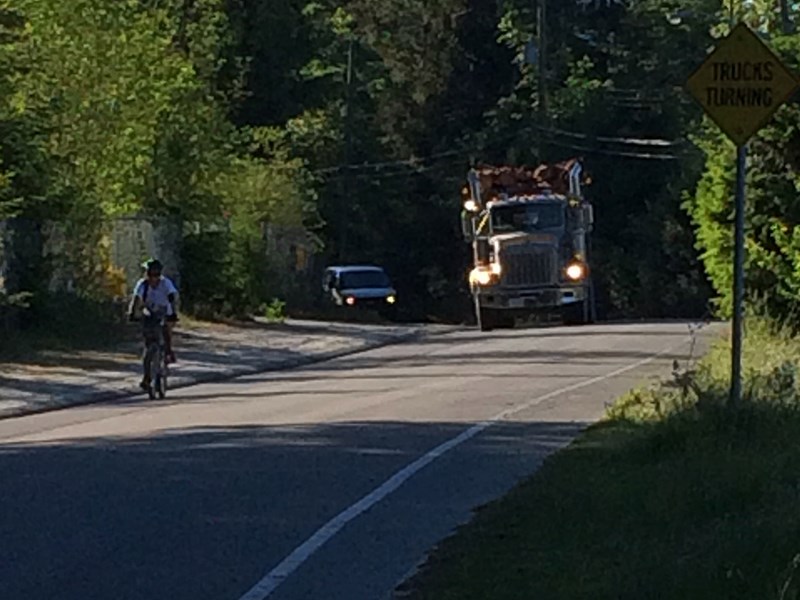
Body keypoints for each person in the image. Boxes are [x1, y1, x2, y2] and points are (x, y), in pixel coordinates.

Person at [128, 259, 179, 389]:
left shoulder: (165, 283)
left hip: (164, 310)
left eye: (155, 274)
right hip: (149, 311)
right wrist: (132, 314)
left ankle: (168, 351)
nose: (153, 277)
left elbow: (172, 296)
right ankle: (147, 377)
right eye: (150, 274)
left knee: (167, 328)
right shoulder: (142, 284)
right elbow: (136, 299)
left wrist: (173, 313)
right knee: (148, 343)